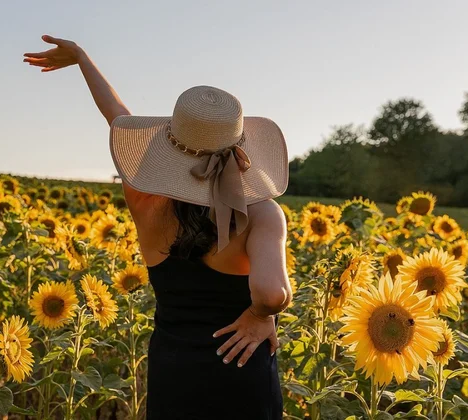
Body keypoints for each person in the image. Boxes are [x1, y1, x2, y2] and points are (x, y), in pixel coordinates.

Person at [24, 35, 292, 419]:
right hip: (240, 367)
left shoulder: (144, 198)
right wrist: (261, 315)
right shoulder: (262, 213)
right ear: (240, 145)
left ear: (171, 144)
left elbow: (118, 117)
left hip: (174, 368)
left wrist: (83, 59)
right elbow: (270, 291)